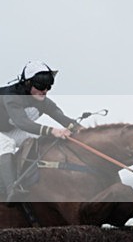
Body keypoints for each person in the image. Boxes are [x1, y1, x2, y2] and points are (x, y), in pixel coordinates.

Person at [0, 61, 80, 202]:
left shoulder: (43, 101)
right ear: (28, 83)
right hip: (7, 131)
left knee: (38, 137)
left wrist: (85, 132)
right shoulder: (11, 97)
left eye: (48, 86)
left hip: (7, 129)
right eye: (41, 85)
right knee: (7, 144)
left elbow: (63, 118)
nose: (45, 90)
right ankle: (10, 190)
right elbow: (22, 123)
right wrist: (53, 130)